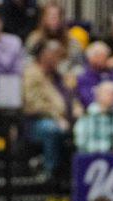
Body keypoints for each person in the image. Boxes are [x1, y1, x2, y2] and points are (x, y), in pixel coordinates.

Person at [22, 40, 76, 181]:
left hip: (63, 118)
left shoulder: (56, 75)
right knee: (53, 129)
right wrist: (56, 117)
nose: (58, 59)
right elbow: (31, 104)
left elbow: (69, 96)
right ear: (44, 55)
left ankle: (73, 172)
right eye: (55, 55)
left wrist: (77, 107)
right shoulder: (32, 74)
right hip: (35, 122)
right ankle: (50, 171)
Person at [76, 41, 113, 113]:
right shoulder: (84, 77)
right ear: (90, 58)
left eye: (105, 56)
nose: (103, 59)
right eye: (99, 56)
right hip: (96, 114)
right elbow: (86, 98)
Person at [23, 2, 83, 71]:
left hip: (65, 76)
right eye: (50, 16)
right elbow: (27, 62)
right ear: (43, 18)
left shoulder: (72, 41)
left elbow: (80, 65)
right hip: (40, 76)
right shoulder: (34, 39)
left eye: (57, 16)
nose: (54, 19)